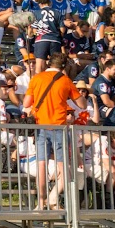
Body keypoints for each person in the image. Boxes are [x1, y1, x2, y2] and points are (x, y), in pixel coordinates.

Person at [27, 52, 76, 210]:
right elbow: (81, 103)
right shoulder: (65, 80)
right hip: (59, 126)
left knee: (41, 165)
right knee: (63, 167)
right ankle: (54, 198)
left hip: (41, 126)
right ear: (63, 66)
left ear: (49, 63)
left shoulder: (36, 78)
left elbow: (27, 102)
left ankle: (41, 202)